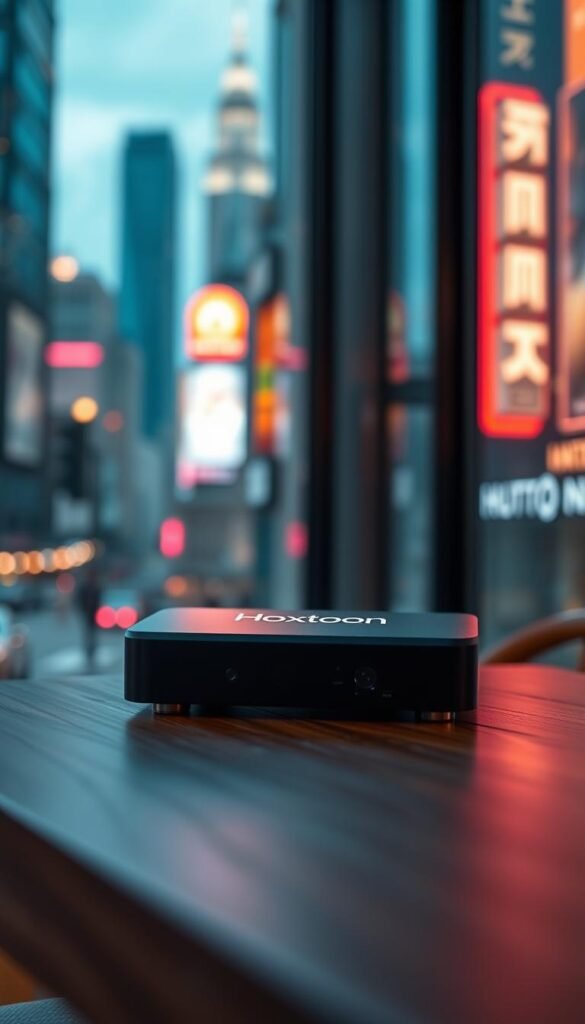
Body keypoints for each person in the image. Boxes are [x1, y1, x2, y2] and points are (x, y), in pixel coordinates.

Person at [77, 566, 102, 670]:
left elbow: (100, 599)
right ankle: (89, 651)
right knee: (89, 633)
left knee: (92, 634)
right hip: (87, 613)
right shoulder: (85, 587)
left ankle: (92, 651)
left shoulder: (96, 587)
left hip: (94, 613)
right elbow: (79, 600)